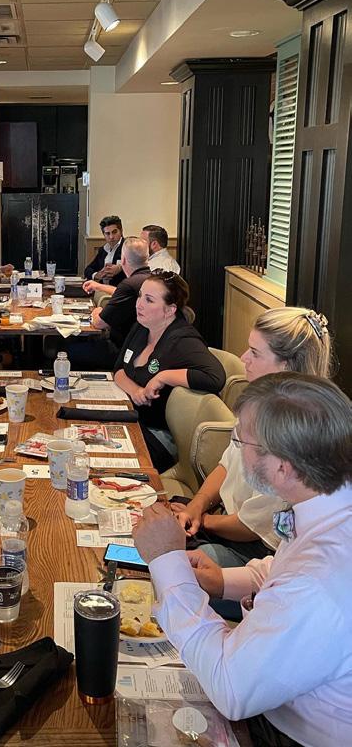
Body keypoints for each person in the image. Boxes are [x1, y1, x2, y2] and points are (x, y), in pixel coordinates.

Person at [134, 372, 352, 747]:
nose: (236, 450)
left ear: (283, 466)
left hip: (281, 730)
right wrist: (224, 581)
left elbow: (230, 688)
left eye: (240, 441)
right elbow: (283, 569)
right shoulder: (330, 503)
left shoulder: (321, 578)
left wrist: (167, 559)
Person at [172, 308, 333, 578]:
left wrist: (203, 520)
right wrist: (197, 504)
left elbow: (251, 527)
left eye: (255, 353)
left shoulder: (297, 434)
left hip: (257, 552)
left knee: (171, 566)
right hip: (222, 521)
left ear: (286, 366)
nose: (243, 358)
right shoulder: (258, 403)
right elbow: (227, 463)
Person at [113, 271, 225, 471]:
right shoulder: (142, 326)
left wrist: (163, 377)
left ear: (170, 309)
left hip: (159, 436)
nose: (139, 304)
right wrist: (136, 391)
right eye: (140, 296)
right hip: (134, 420)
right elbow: (119, 370)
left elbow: (215, 377)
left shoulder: (183, 340)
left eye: (149, 300)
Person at [69, 237, 151, 370]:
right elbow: (122, 293)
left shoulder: (128, 285)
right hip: (142, 349)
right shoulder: (152, 280)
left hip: (120, 350)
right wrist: (98, 286)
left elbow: (99, 323)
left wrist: (97, 311)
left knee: (65, 349)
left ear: (123, 260)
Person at [83, 215, 125, 284]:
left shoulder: (128, 247)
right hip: (101, 288)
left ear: (121, 231)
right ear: (104, 235)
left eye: (114, 232)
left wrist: (120, 268)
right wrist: (97, 275)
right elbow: (88, 270)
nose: (111, 237)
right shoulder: (103, 250)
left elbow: (136, 267)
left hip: (120, 288)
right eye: (107, 233)